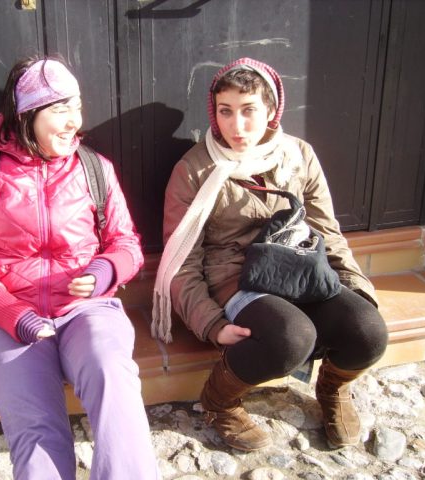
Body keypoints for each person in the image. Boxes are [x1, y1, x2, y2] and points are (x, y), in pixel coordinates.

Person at [152, 57, 388, 452]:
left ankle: (333, 388)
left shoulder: (299, 155)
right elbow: (181, 261)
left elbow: (327, 231)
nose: (237, 126)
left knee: (368, 329)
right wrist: (211, 323)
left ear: (271, 111)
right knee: (291, 337)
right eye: (225, 111)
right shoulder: (194, 170)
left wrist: (354, 287)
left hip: (298, 268)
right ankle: (219, 402)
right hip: (236, 280)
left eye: (249, 111)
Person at [0, 57, 159, 479]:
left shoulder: (94, 169)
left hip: (88, 312)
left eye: (76, 106)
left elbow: (125, 242)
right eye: (60, 109)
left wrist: (105, 271)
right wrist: (9, 312)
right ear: (27, 115)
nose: (74, 121)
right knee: (36, 431)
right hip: (10, 320)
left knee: (115, 384)